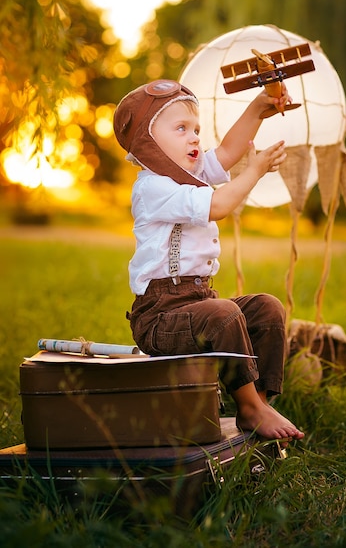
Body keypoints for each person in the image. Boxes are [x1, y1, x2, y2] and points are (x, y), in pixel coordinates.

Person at [113, 78, 304, 443]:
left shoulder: (190, 174)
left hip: (198, 302)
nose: (195, 138)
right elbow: (217, 205)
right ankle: (249, 407)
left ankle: (257, 405)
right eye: (182, 128)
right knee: (223, 314)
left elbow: (230, 150)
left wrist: (261, 105)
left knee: (266, 308)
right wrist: (256, 170)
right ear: (147, 143)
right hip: (160, 315)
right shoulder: (153, 187)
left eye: (197, 129)